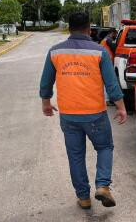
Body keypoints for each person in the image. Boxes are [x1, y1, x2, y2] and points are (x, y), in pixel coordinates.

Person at [39, 12, 127, 210]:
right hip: (95, 113)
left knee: (75, 155)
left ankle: (84, 198)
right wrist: (121, 107)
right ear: (89, 29)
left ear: (69, 28)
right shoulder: (99, 51)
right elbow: (111, 84)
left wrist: (46, 103)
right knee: (104, 147)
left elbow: (46, 82)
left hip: (68, 115)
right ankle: (103, 186)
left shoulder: (55, 52)